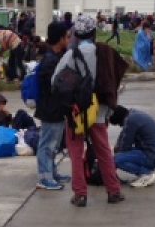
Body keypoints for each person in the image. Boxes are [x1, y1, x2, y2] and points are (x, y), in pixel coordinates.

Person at [51, 15, 124, 207]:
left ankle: (80, 194)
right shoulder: (105, 52)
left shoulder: (71, 55)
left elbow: (55, 82)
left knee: (75, 153)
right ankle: (114, 191)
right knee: (104, 152)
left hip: (77, 113)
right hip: (99, 111)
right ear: (93, 32)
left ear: (76, 33)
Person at [34, 22, 70, 191]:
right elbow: (53, 87)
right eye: (67, 36)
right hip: (50, 109)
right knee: (47, 144)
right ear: (61, 38)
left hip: (56, 109)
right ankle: (44, 176)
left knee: (53, 144)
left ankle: (51, 172)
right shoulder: (50, 61)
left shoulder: (55, 57)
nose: (69, 40)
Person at [109, 105, 155, 188]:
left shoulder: (131, 121)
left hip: (152, 155)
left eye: (119, 124)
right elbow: (123, 135)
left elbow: (125, 146)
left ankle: (146, 174)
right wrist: (117, 148)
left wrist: (114, 156)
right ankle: (147, 172)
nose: (121, 126)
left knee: (116, 160)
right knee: (119, 155)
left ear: (120, 120)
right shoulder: (133, 114)